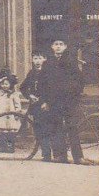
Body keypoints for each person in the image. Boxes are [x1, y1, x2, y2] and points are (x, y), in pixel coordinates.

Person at [41, 36, 88, 164]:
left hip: (69, 100)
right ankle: (60, 156)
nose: (58, 46)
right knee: (56, 128)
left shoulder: (71, 61)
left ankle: (78, 157)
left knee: (72, 127)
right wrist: (45, 101)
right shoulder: (47, 64)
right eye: (55, 43)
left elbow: (80, 80)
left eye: (61, 44)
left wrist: (74, 95)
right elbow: (43, 84)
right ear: (52, 47)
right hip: (53, 101)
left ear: (65, 47)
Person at [21, 48, 52, 161]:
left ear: (44, 59)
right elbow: (22, 87)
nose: (37, 61)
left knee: (46, 129)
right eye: (35, 58)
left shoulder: (48, 72)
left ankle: (47, 154)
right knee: (39, 128)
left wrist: (46, 102)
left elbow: (51, 89)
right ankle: (45, 153)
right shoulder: (32, 73)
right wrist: (30, 95)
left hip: (46, 105)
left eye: (40, 58)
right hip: (35, 105)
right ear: (32, 60)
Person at [0, 71, 23, 153]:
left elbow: (17, 104)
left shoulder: (14, 94)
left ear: (10, 85)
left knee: (10, 134)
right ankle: (3, 147)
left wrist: (17, 112)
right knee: (2, 133)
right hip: (1, 116)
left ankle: (11, 147)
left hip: (11, 117)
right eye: (2, 84)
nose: (4, 86)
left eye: (6, 84)